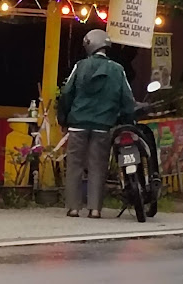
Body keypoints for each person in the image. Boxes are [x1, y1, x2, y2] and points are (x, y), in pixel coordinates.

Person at [58, 29, 135, 219]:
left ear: (89, 45)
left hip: (78, 123)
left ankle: (74, 208)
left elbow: (67, 93)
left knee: (75, 165)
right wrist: (127, 118)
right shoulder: (118, 69)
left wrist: (64, 118)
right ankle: (95, 209)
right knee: (97, 166)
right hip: (103, 125)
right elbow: (127, 98)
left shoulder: (80, 66)